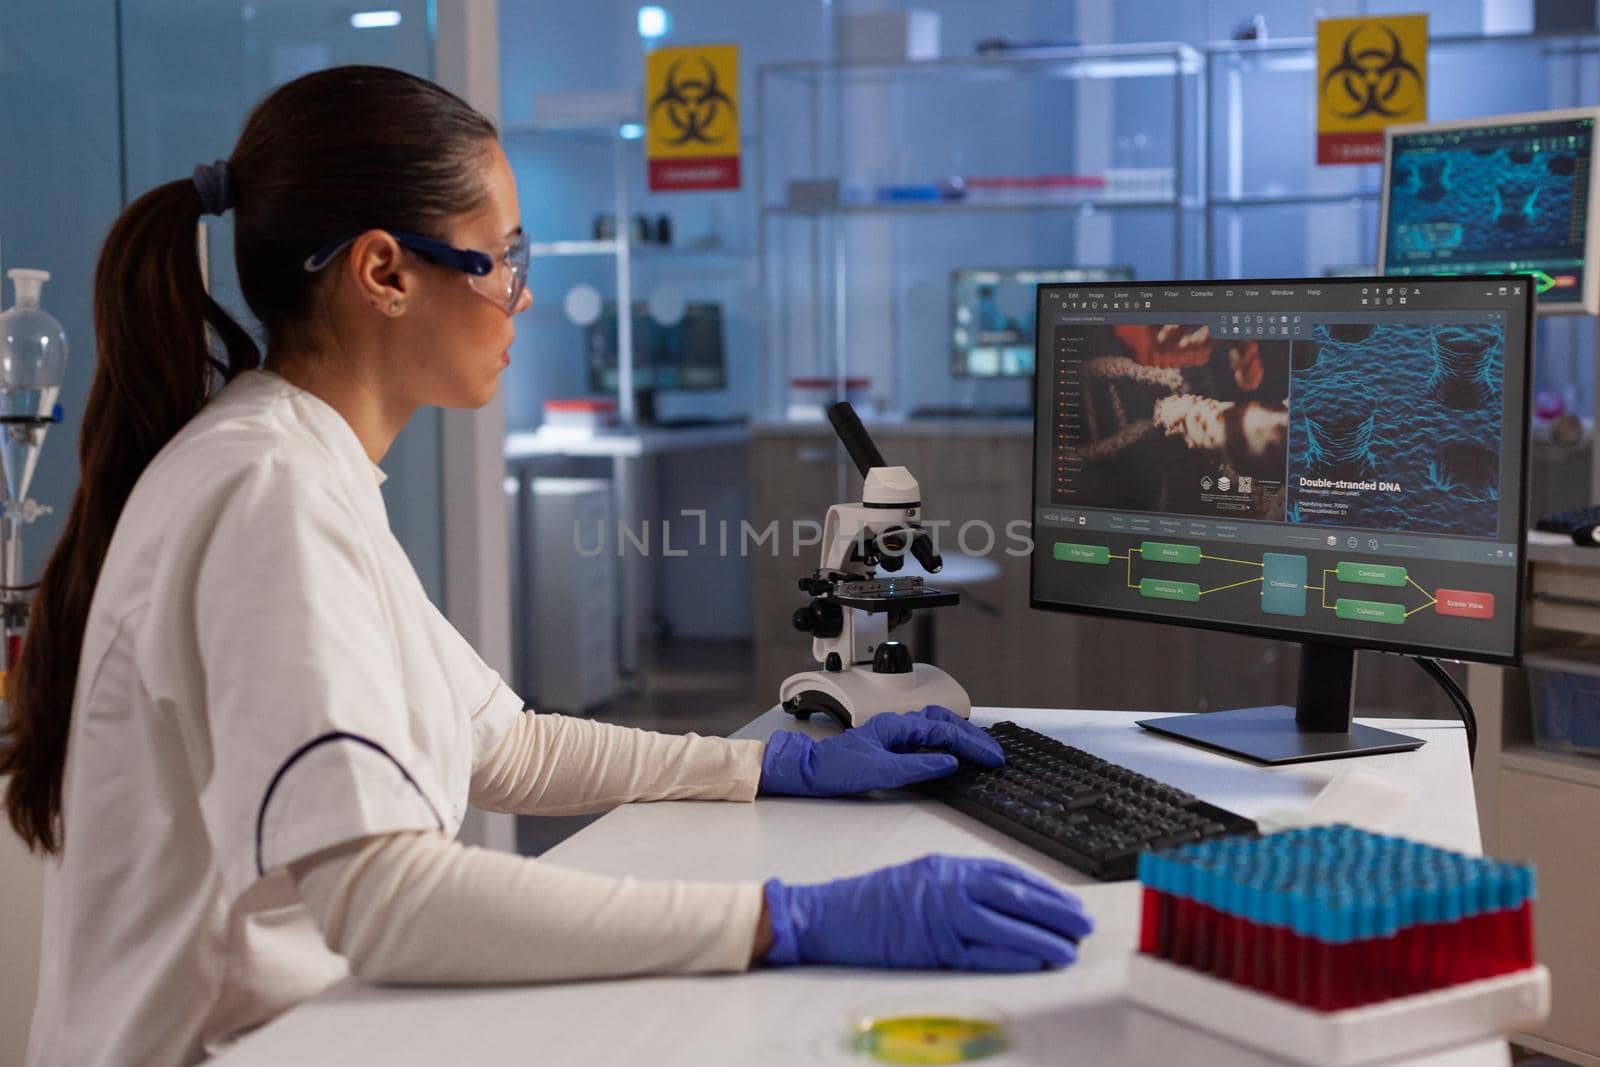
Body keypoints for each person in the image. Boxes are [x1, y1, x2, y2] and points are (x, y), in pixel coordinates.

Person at [1, 66, 1091, 1067]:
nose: (521, 295)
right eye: (505, 257)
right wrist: (784, 918)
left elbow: (499, 741)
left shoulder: (297, 461)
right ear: (384, 271)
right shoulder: (268, 490)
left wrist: (767, 768)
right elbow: (381, 898)